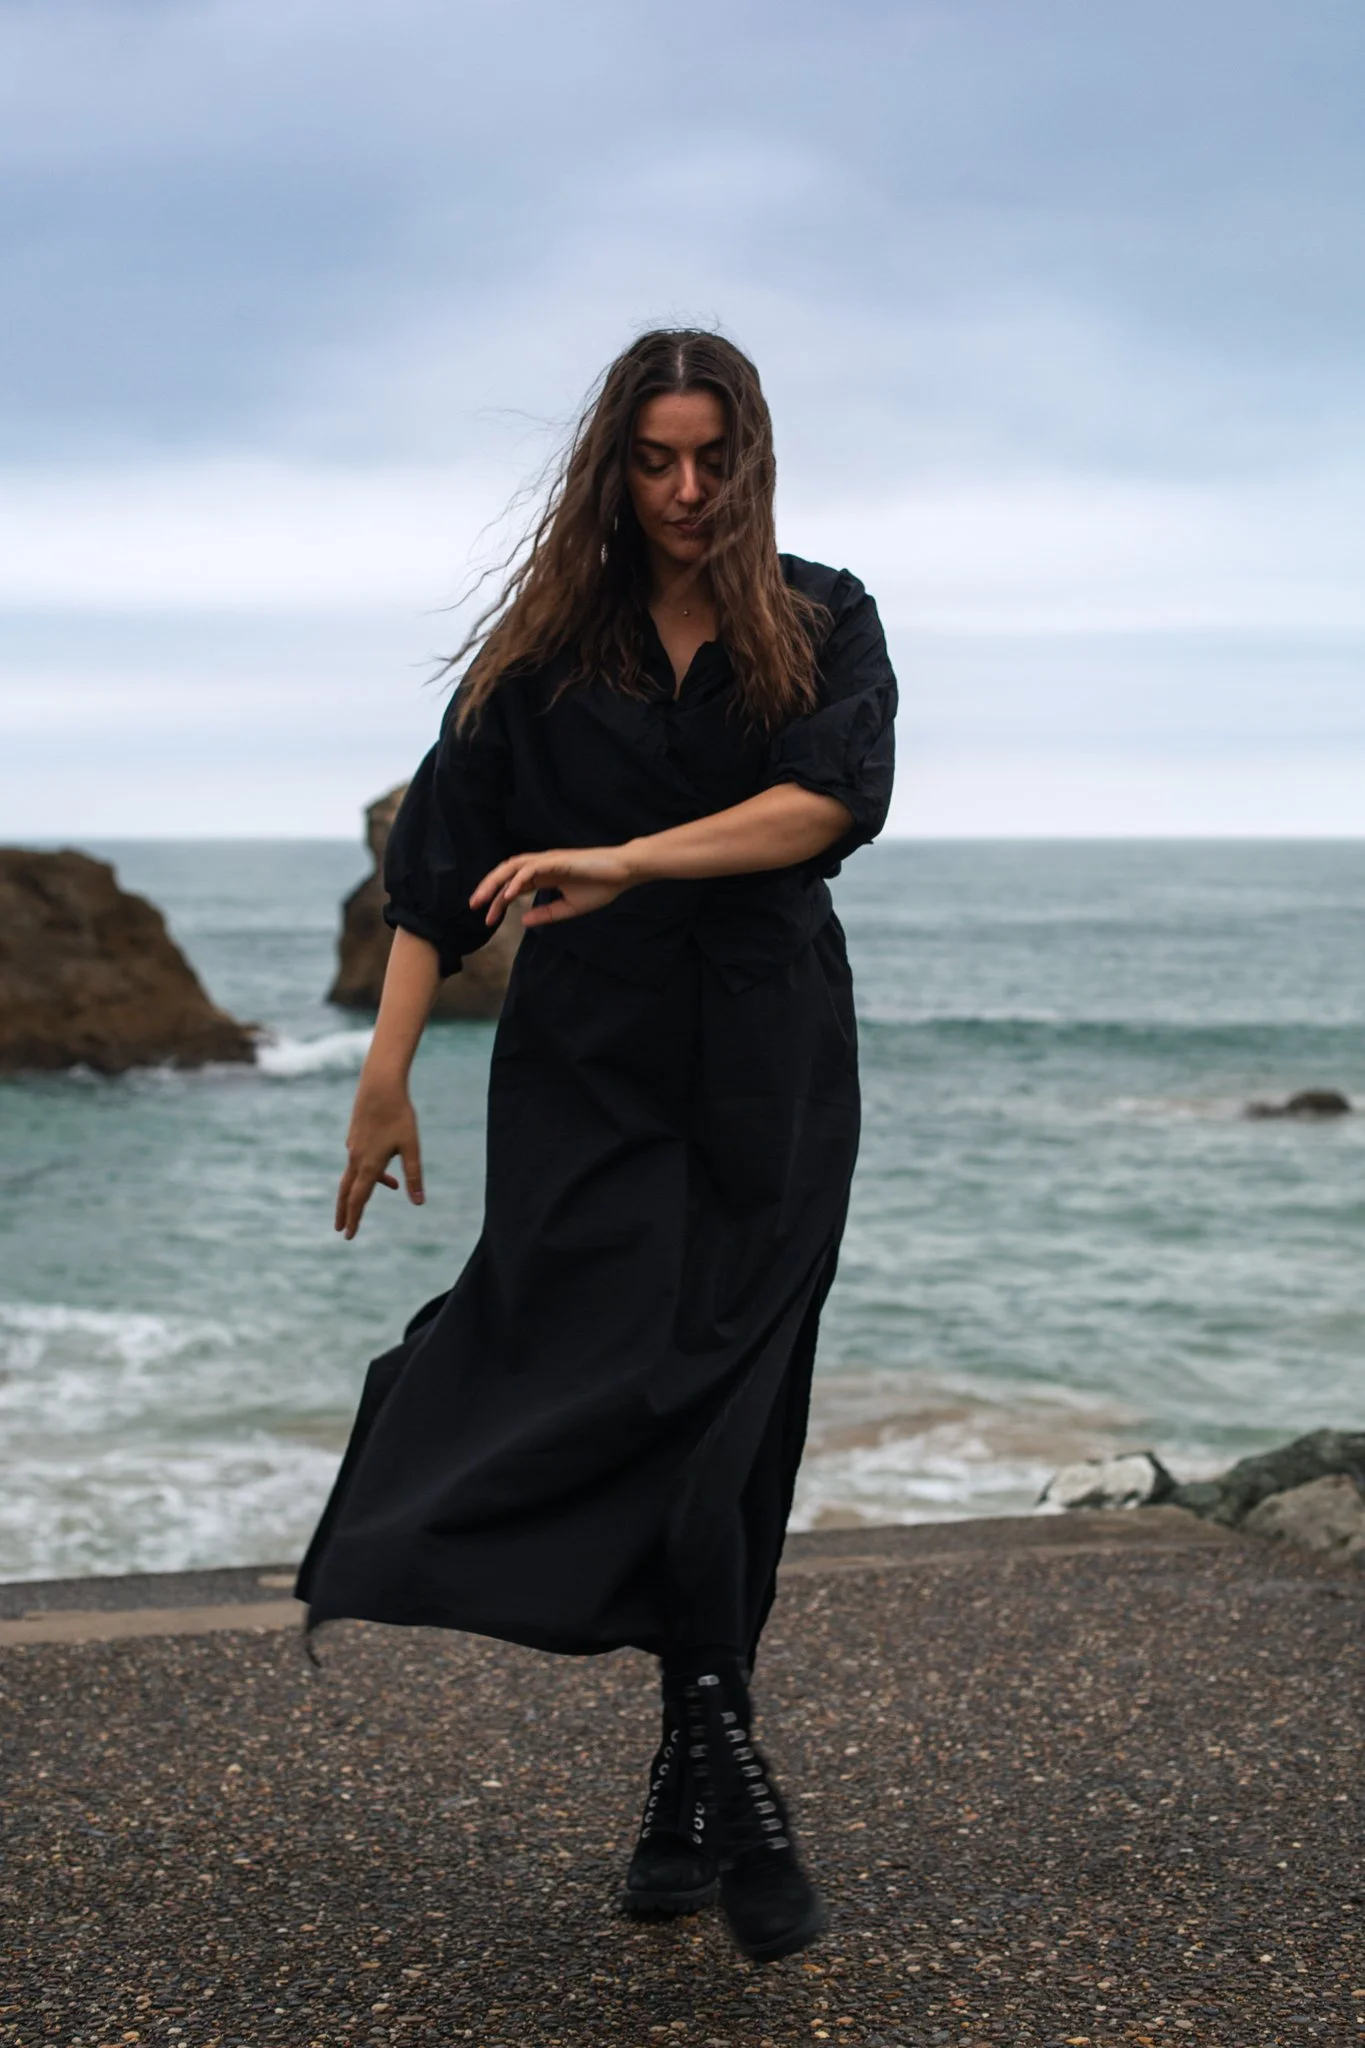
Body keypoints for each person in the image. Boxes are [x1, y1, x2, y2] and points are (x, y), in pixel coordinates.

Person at [296, 328, 897, 1964]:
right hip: (593, 1067)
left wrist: (630, 858)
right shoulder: (547, 649)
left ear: (751, 455)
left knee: (735, 1420)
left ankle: (687, 1779)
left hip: (771, 1055)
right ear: (611, 466)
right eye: (654, 458)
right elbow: (440, 862)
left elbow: (829, 804)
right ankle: (730, 1780)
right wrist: (386, 1074)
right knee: (620, 1367)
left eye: (713, 457)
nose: (686, 491)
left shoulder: (827, 614)